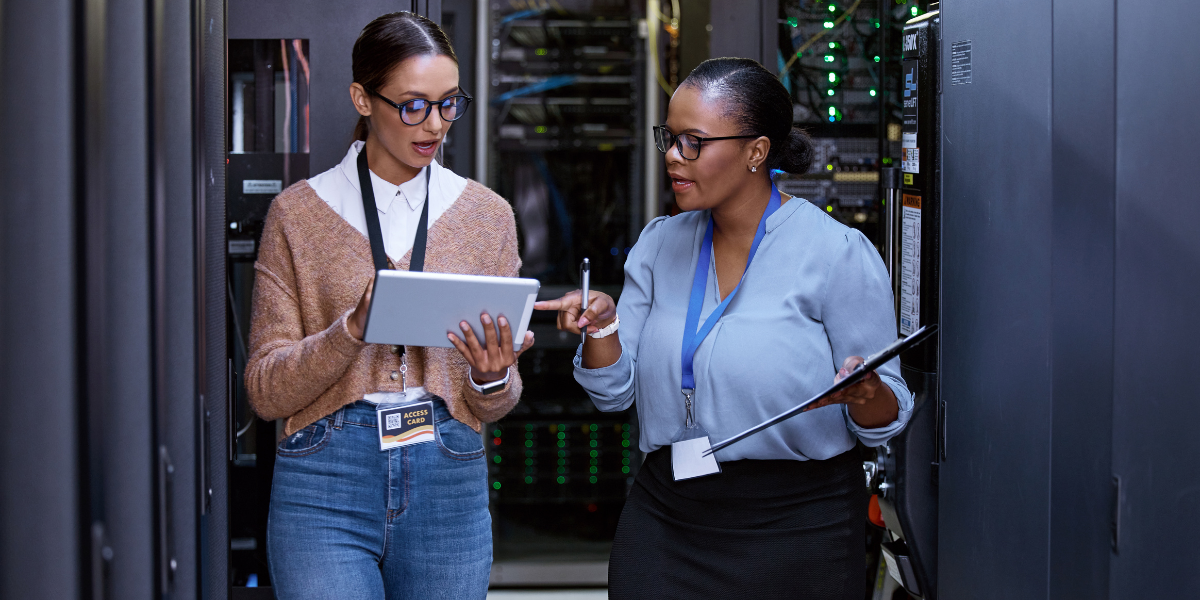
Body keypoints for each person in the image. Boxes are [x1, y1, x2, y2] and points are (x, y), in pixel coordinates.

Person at [535, 57, 913, 599]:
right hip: (669, 514)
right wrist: (603, 327)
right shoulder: (659, 243)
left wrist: (866, 392)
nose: (672, 156)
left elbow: (888, 416)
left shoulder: (835, 254)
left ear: (756, 152)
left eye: (694, 141)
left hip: (801, 525)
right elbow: (613, 395)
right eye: (670, 137)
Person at [245, 12, 532, 599]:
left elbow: (500, 403)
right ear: (362, 98)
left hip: (448, 471)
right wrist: (351, 327)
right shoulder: (298, 215)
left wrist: (491, 376)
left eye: (450, 104)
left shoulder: (487, 215)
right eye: (413, 106)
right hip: (324, 474)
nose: (435, 125)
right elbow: (265, 391)